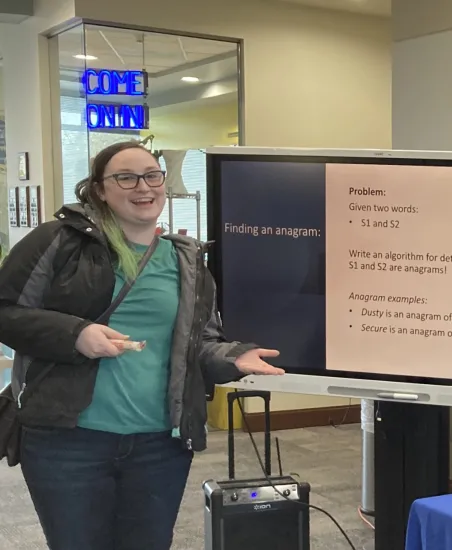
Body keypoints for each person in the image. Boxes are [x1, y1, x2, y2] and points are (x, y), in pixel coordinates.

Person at [0, 140, 285, 550]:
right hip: (68, 442)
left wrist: (232, 356)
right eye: (126, 177)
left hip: (159, 445)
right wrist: (75, 335)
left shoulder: (187, 261)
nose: (143, 187)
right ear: (100, 189)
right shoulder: (58, 241)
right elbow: (6, 311)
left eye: (153, 176)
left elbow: (197, 341)